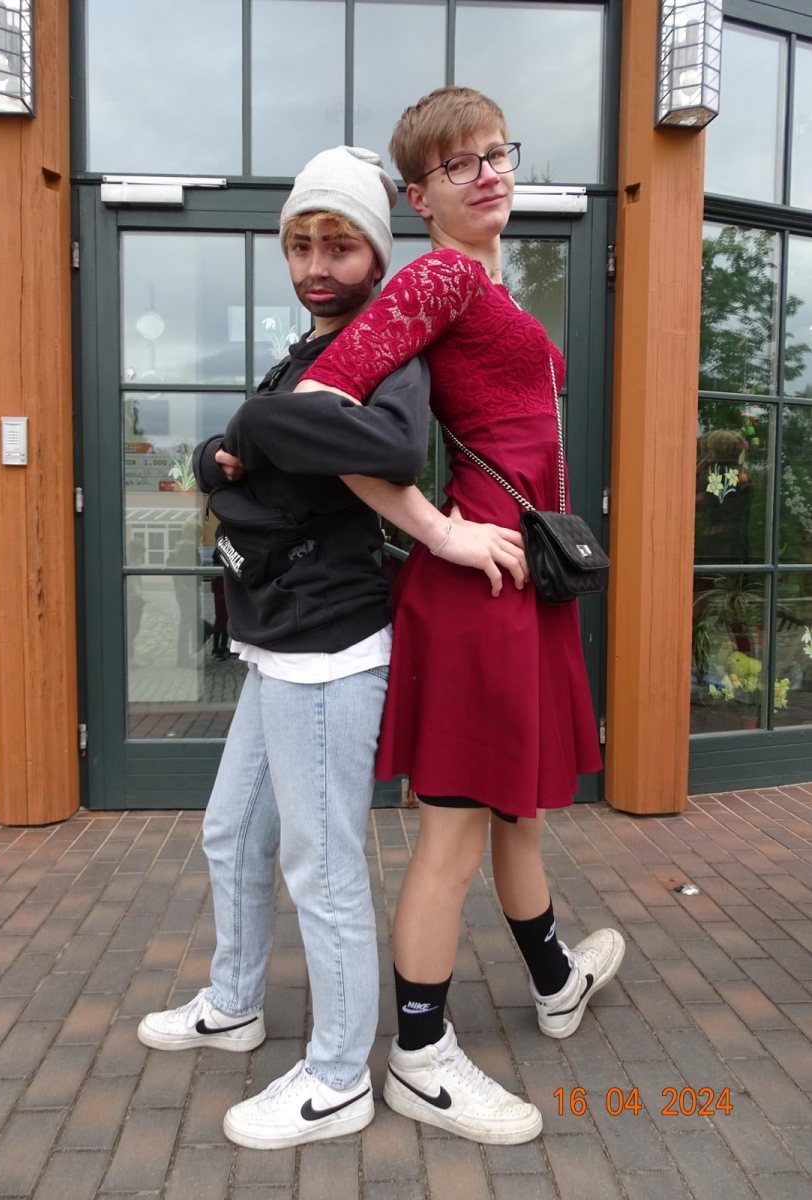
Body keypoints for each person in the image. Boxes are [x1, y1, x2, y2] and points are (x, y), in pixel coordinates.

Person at [136, 144, 526, 1150]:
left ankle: (340, 1075)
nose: (317, 264)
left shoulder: (384, 349)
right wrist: (225, 450)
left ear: (376, 252)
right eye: (301, 245)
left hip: (330, 647)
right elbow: (230, 454)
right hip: (275, 643)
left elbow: (389, 452)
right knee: (233, 833)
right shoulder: (301, 354)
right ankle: (235, 1003)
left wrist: (256, 432)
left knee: (322, 864)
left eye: (340, 245)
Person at [294, 88, 625, 1145]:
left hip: (521, 586)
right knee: (453, 835)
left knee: (519, 809)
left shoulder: (485, 281)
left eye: (495, 153)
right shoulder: (438, 277)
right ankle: (420, 1056)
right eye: (457, 164)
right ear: (419, 197)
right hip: (478, 590)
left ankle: (555, 981)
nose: (488, 174)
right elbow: (319, 411)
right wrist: (439, 531)